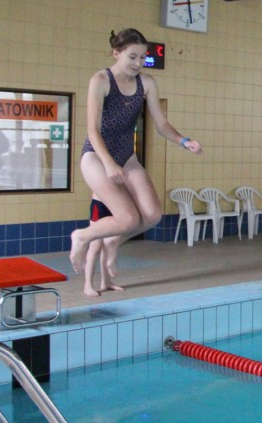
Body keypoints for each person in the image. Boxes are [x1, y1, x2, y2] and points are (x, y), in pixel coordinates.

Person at [69, 28, 202, 274]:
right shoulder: (101, 80)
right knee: (128, 218)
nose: (138, 63)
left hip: (126, 156)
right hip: (96, 156)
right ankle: (81, 236)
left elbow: (161, 124)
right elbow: (93, 130)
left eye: (142, 57)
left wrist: (184, 141)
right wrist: (109, 163)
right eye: (132, 57)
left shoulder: (146, 82)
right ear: (116, 53)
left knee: (152, 215)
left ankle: (113, 241)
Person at [83, 196, 124, 297]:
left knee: (108, 245)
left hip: (115, 204)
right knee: (95, 246)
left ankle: (106, 282)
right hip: (100, 204)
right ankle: (88, 285)